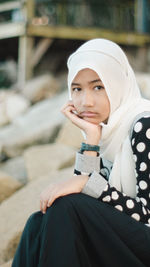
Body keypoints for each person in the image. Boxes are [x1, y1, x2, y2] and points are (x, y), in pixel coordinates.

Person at [12, 38, 150, 267]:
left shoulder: (144, 126)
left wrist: (90, 183)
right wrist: (91, 140)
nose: (86, 102)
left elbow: (146, 215)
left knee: (67, 207)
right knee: (38, 223)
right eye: (77, 89)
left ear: (117, 84)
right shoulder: (107, 134)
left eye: (98, 87)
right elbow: (86, 200)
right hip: (127, 242)